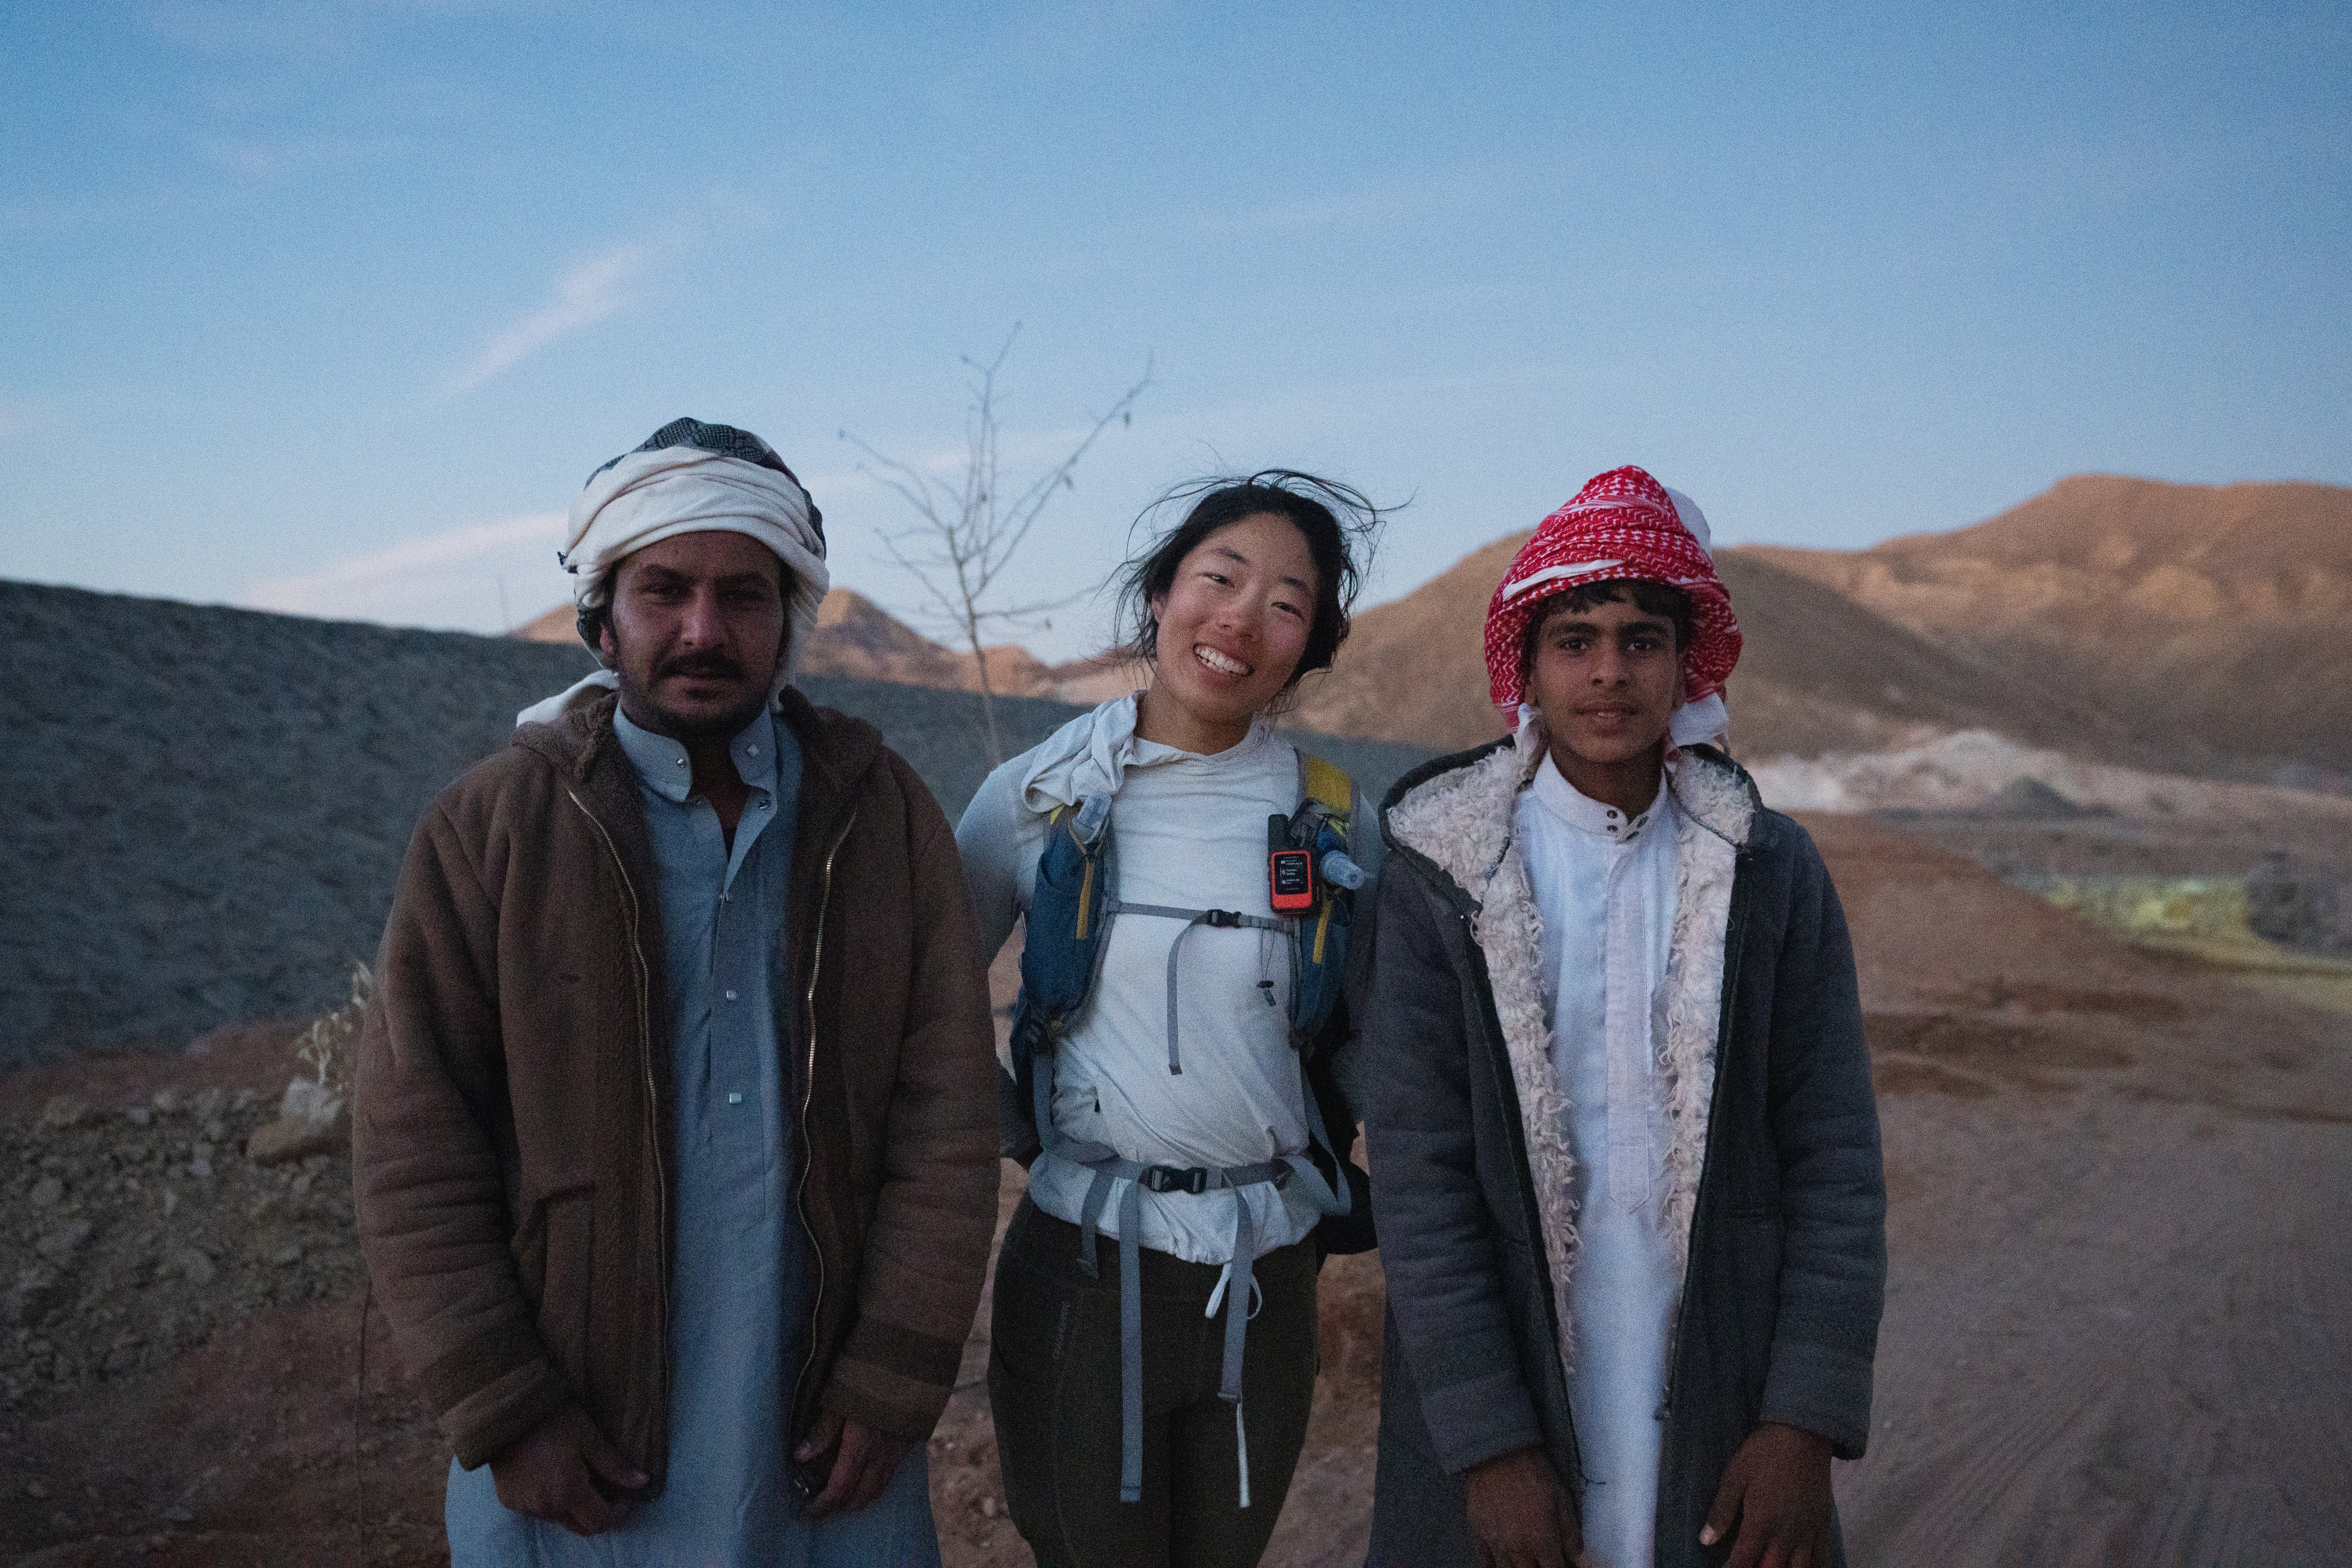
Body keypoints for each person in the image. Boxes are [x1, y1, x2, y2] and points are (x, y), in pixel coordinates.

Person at [354, 419, 1001, 1566]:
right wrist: (505, 1404)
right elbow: (415, 1137)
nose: (704, 630)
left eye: (744, 596)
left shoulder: (881, 816)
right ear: (603, 613)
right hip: (582, 1445)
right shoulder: (492, 827)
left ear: (789, 618)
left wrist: (896, 1368)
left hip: (822, 1433)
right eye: (665, 590)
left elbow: (945, 1116)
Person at [1357, 465, 1886, 1568]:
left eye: (1641, 640)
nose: (1607, 671)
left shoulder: (1768, 871)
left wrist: (1801, 1422)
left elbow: (1832, 1156)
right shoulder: (1442, 877)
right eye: (1574, 639)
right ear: (1528, 667)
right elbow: (1420, 1176)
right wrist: (1488, 1447)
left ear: (1683, 664)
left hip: (1720, 1374)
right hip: (1513, 1381)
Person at [955, 472, 1382, 1568]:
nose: (1243, 617)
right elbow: (926, 1001)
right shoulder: (1038, 796)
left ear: (1309, 647)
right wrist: (1013, 1129)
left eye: (1288, 603)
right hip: (1087, 1266)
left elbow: (1378, 1034)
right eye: (1220, 578)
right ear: (1160, 593)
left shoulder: (1333, 816)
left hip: (1270, 1267)